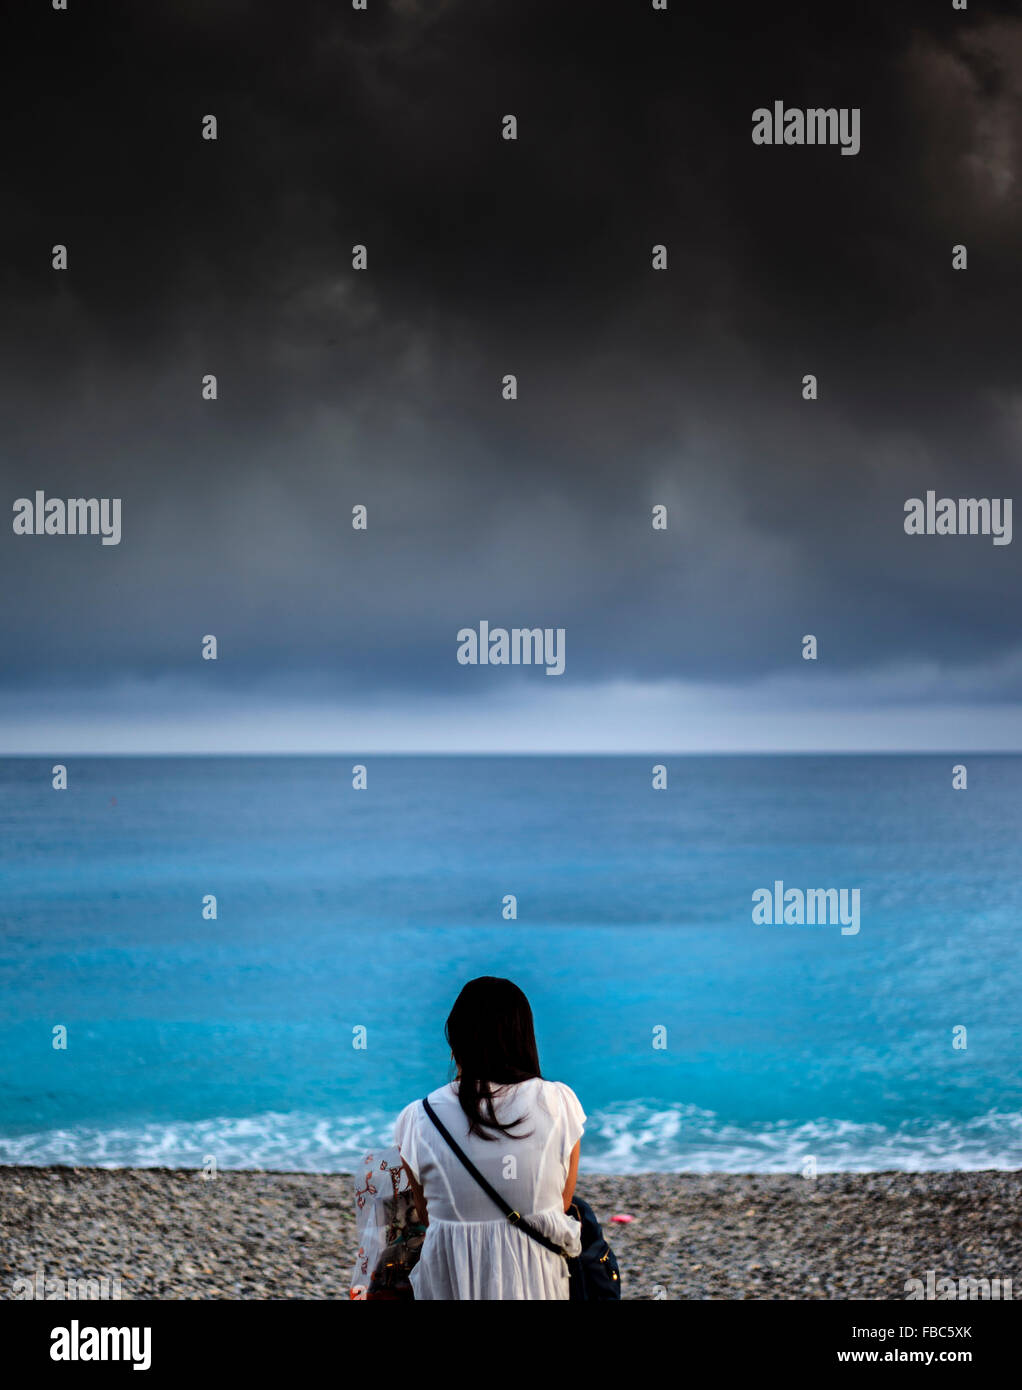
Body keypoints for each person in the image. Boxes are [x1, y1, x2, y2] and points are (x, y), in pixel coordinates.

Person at [394, 976, 585, 1300]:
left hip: (451, 1283)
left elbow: (428, 1215)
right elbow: (561, 1204)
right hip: (537, 1283)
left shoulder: (418, 1118)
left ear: (455, 1044)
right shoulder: (559, 1103)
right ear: (525, 1039)